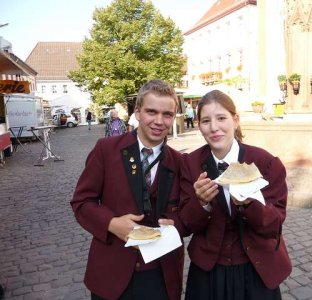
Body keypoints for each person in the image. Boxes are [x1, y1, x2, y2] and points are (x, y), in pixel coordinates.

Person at [71, 79, 188, 300]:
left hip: (161, 274)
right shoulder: (106, 150)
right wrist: (111, 224)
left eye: (167, 114)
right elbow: (81, 202)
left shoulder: (181, 162)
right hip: (111, 273)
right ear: (137, 112)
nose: (159, 121)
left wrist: (185, 217)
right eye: (151, 112)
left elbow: (189, 215)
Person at [179, 90, 292, 300]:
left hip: (256, 269)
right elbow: (186, 224)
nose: (214, 127)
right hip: (208, 272)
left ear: (236, 120)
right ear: (199, 126)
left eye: (221, 118)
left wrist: (250, 205)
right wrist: (201, 203)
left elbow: (274, 225)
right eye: (205, 121)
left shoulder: (265, 163)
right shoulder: (190, 164)